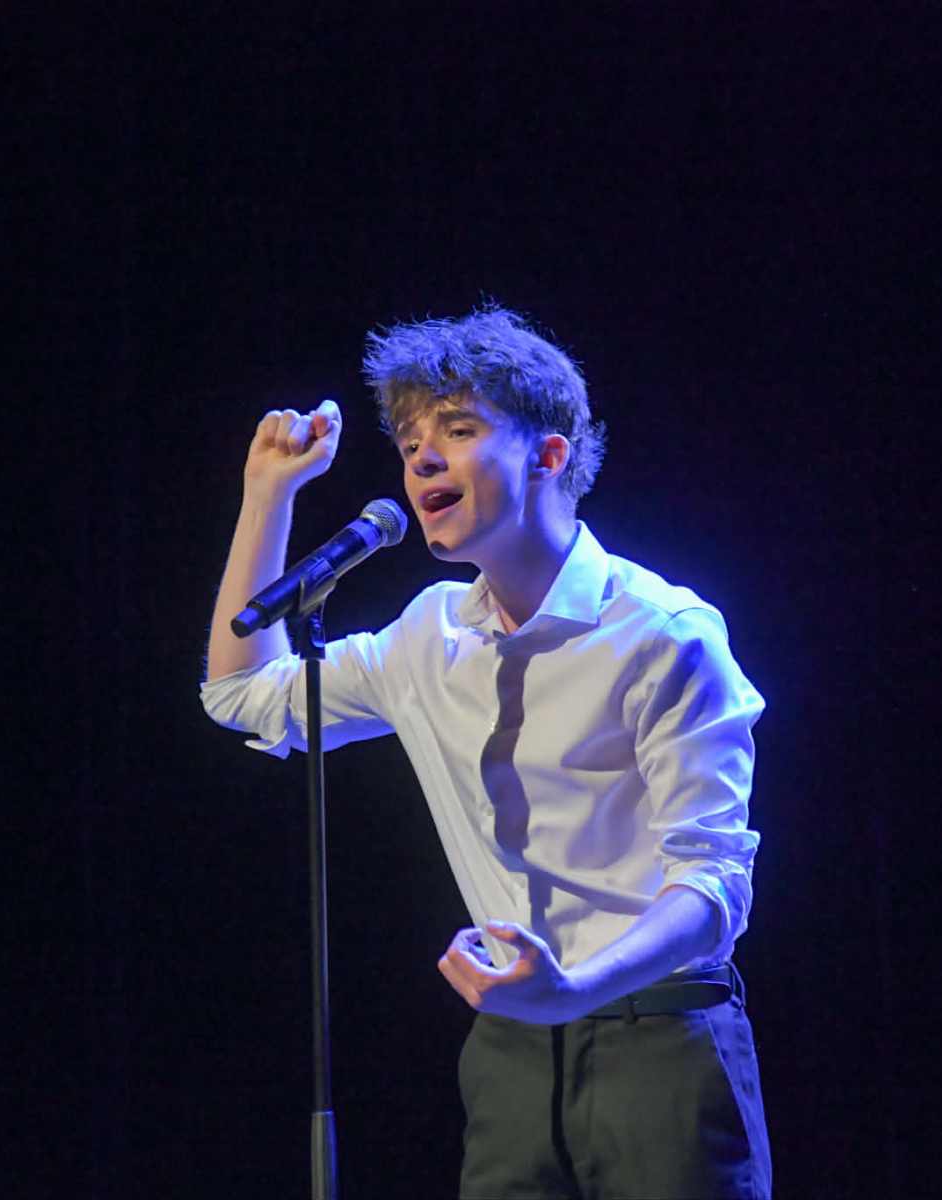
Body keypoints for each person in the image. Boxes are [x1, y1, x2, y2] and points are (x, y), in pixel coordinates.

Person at [201, 304, 772, 1199]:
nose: (422, 459)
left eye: (458, 431)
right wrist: (267, 495)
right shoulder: (429, 635)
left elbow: (713, 886)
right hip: (509, 1051)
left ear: (549, 456)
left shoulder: (663, 633)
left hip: (660, 1038)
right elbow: (243, 695)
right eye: (409, 443)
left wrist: (573, 987)